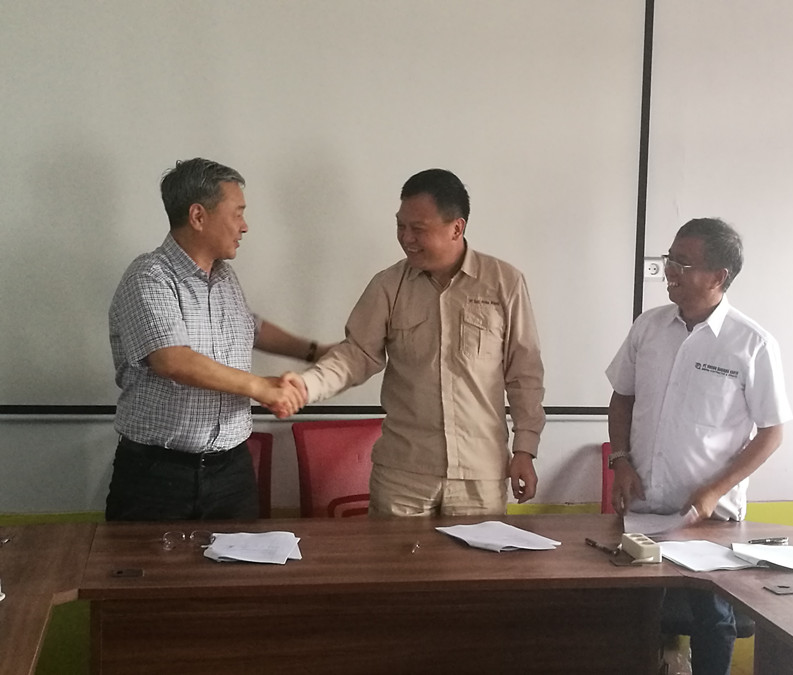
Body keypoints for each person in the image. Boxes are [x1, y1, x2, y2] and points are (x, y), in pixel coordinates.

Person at [295, 168, 545, 516]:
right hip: (403, 474)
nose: (406, 238)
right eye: (401, 226)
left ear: (456, 228)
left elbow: (524, 374)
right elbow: (356, 355)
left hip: (480, 474)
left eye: (418, 229)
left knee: (476, 555)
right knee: (394, 555)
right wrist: (306, 386)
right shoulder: (388, 286)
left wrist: (524, 450)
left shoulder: (504, 283)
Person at [605, 218, 792, 675]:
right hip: (642, 507)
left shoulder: (752, 344)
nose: (669, 270)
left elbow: (771, 432)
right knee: (631, 616)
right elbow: (622, 397)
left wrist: (713, 491)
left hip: (708, 517)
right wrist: (621, 460)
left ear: (718, 276)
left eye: (683, 263)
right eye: (669, 258)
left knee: (712, 619)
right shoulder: (648, 327)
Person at [106, 157, 329, 522]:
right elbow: (172, 360)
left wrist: (315, 352)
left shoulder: (224, 277)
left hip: (231, 472)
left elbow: (250, 326)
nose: (245, 226)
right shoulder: (149, 276)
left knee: (239, 560)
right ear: (198, 216)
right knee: (147, 562)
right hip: (159, 476)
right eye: (237, 213)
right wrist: (261, 387)